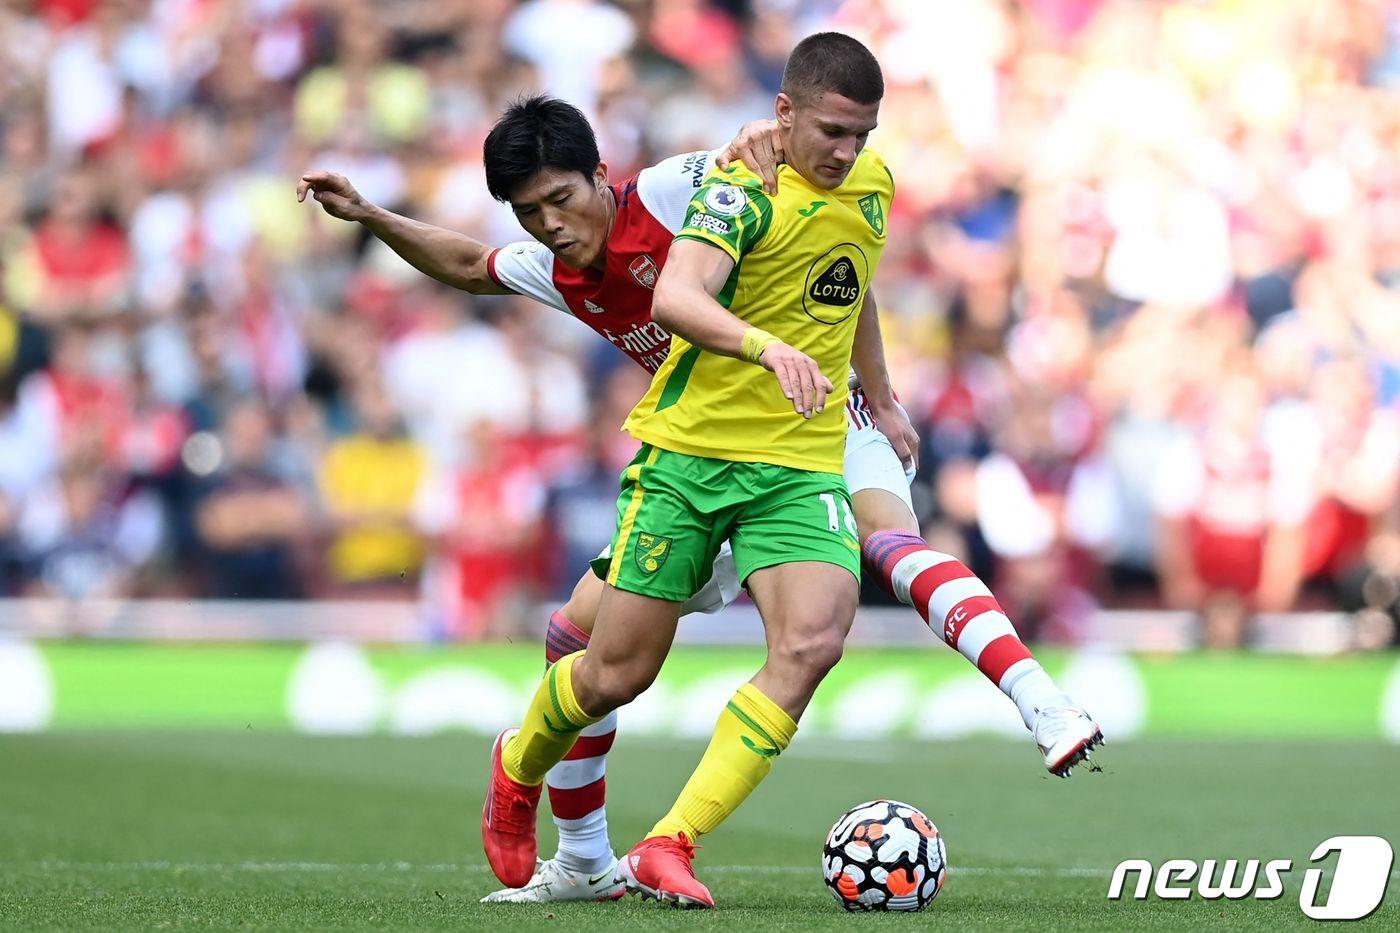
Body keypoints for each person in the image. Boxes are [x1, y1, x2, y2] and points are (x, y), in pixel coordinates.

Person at [298, 70, 1099, 907]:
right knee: (581, 646)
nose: (549, 223)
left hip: (819, 419)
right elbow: (466, 263)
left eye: (561, 198)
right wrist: (372, 216)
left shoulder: (676, 191)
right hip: (701, 452)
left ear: (601, 175)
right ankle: (579, 855)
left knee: (884, 550)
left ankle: (1038, 698)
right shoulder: (558, 268)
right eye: (529, 211)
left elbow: (806, 214)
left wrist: (882, 389)